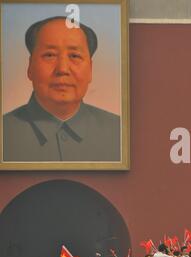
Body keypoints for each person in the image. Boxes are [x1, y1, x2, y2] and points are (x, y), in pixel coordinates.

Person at [3, 16, 120, 162]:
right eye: (50, 55)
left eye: (74, 56)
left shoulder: (119, 131)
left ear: (90, 69)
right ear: (30, 67)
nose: (63, 69)